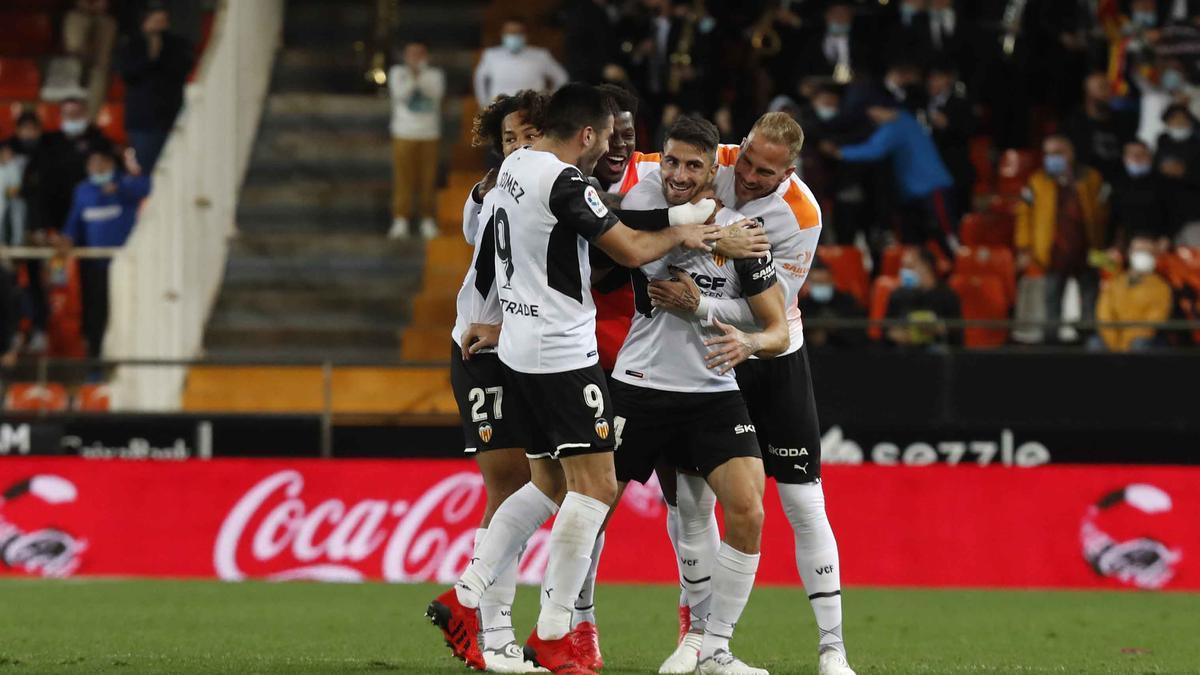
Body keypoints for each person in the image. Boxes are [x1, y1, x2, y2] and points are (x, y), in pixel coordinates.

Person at [429, 83, 722, 675]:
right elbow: (634, 249)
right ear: (587, 134)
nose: (610, 151)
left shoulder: (513, 169)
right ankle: (559, 628)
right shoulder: (563, 181)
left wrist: (494, 316)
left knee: (544, 486)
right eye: (608, 138)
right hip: (562, 352)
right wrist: (685, 229)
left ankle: (464, 596)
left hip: (518, 346)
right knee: (596, 487)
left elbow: (491, 250)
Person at [649, 112, 857, 675]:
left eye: (765, 174)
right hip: (701, 360)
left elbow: (769, 310)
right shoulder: (711, 161)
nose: (747, 179)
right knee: (691, 503)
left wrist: (701, 307)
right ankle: (701, 639)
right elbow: (637, 176)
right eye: (744, 164)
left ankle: (832, 649)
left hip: (769, 357)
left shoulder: (802, 214)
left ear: (789, 171)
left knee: (803, 503)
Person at [613, 115, 788, 675]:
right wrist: (711, 236)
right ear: (659, 162)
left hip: (712, 389)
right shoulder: (644, 215)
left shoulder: (747, 236)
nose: (680, 174)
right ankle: (562, 627)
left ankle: (715, 648)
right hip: (639, 386)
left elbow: (779, 327)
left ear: (716, 169)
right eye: (672, 162)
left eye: (694, 165)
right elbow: (625, 243)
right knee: (586, 508)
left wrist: (750, 342)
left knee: (748, 510)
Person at [450, 90, 547, 674]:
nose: (518, 148)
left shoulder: (550, 189)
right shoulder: (499, 194)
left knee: (547, 482)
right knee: (511, 485)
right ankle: (494, 632)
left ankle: (526, 622)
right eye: (509, 139)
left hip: (531, 350)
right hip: (484, 347)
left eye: (529, 135)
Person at [824, 93, 956, 255]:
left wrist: (839, 152)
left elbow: (874, 150)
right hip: (917, 192)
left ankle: (962, 268)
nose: (872, 116)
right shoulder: (904, 120)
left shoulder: (897, 124)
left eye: (872, 111)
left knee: (946, 235)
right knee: (920, 243)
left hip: (932, 188)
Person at [1015, 135, 1110, 343]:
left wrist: (1103, 245)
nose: (1052, 158)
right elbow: (1024, 214)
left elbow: (1104, 212)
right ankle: (1052, 344)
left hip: (1086, 250)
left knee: (1090, 300)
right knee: (1052, 300)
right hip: (1053, 251)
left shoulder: (1091, 178)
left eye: (1057, 153)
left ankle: (1088, 342)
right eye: (1048, 153)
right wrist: (1024, 247)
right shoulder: (1037, 181)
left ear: (1070, 154)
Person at [60, 147, 150, 359]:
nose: (98, 167)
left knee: (126, 310)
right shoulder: (82, 190)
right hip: (95, 265)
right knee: (96, 313)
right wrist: (66, 237)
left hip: (124, 264)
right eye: (93, 163)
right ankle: (95, 361)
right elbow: (75, 221)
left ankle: (130, 356)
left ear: (112, 163)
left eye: (102, 162)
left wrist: (119, 189)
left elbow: (148, 187)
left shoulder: (126, 183)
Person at [117, 2, 193, 172]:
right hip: (143, 120)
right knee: (147, 169)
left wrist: (159, 55)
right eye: (155, 21)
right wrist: (150, 56)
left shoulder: (177, 45)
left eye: (163, 21)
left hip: (172, 115)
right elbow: (128, 74)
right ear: (145, 23)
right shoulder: (131, 45)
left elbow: (182, 68)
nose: (159, 26)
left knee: (178, 169)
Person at [387, 42, 445, 240]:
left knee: (428, 179)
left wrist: (418, 75)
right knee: (403, 178)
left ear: (425, 55)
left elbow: (434, 95)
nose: (415, 57)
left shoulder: (435, 75)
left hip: (429, 134)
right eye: (411, 54)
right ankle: (400, 220)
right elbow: (400, 94)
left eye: (419, 53)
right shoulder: (397, 73)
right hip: (404, 133)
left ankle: (427, 219)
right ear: (405, 56)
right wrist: (413, 76)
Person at [1093, 234, 1172, 352]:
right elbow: (1104, 314)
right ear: (1130, 252)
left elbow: (1154, 321)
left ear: (1155, 255)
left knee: (1139, 345)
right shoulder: (1115, 283)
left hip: (1142, 341)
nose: (1142, 255)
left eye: (1147, 251)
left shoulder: (1162, 287)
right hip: (1114, 340)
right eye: (1139, 250)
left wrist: (1126, 342)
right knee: (1094, 344)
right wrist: (1115, 342)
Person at [473, 20, 569, 107]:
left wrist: (550, 99)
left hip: (531, 109)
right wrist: (483, 103)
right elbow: (479, 79)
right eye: (510, 32)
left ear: (526, 35)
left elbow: (561, 77)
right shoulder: (491, 55)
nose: (513, 35)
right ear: (502, 34)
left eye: (517, 32)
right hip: (499, 109)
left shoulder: (540, 55)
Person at [1064, 73, 1137, 183]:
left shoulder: (1124, 121)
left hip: (1118, 183)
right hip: (1085, 184)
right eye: (1102, 87)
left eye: (1110, 87)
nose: (1109, 92)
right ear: (1089, 94)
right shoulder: (1073, 123)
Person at [926, 61, 976, 217]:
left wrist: (948, 124)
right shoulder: (921, 103)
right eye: (932, 78)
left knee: (959, 214)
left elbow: (969, 130)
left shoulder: (961, 103)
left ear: (948, 79)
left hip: (955, 170)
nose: (934, 82)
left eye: (938, 78)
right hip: (930, 170)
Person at [884, 247, 962, 347]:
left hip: (937, 355)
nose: (904, 272)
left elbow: (956, 332)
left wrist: (937, 330)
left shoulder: (947, 296)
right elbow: (886, 330)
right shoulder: (898, 295)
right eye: (903, 267)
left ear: (926, 266)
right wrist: (898, 335)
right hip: (905, 354)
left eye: (910, 267)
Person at [63, 0, 118, 118]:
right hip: (77, 16)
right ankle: (71, 115)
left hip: (105, 19)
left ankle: (90, 122)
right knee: (77, 20)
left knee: (100, 72)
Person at [1110, 141, 1171, 248]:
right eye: (1131, 154)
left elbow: (1173, 213)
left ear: (1150, 157)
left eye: (1141, 154)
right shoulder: (1116, 184)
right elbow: (1113, 219)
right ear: (1124, 158)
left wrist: (1167, 236)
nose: (1136, 158)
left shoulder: (1164, 182)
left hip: (1158, 242)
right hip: (1127, 243)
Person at [797, 258, 868, 349]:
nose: (821, 286)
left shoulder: (847, 301)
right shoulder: (803, 305)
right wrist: (812, 334)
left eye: (824, 282)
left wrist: (835, 329)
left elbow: (859, 332)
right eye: (817, 283)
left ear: (832, 280)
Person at [1155, 105, 1200, 178]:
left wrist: (1183, 169)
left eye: (1183, 119)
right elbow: (1157, 161)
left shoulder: (1196, 141)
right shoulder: (1163, 139)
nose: (1179, 122)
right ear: (1167, 123)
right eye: (1174, 119)